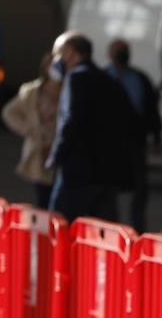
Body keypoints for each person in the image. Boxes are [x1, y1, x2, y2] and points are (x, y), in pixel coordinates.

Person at [45, 31, 140, 223]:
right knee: (103, 235)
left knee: (60, 228)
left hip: (77, 173)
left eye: (57, 54)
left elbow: (71, 121)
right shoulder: (109, 80)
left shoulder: (75, 79)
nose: (56, 60)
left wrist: (56, 156)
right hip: (107, 175)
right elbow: (131, 121)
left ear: (70, 52)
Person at [105, 40, 162, 232]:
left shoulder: (140, 79)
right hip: (110, 141)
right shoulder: (103, 78)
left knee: (139, 186)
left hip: (135, 139)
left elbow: (152, 110)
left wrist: (156, 136)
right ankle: (112, 226)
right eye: (117, 52)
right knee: (110, 185)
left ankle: (138, 228)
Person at [1, 53, 62, 208]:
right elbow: (9, 112)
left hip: (61, 148)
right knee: (43, 196)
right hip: (40, 149)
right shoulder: (32, 91)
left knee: (61, 197)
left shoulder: (69, 89)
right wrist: (28, 130)